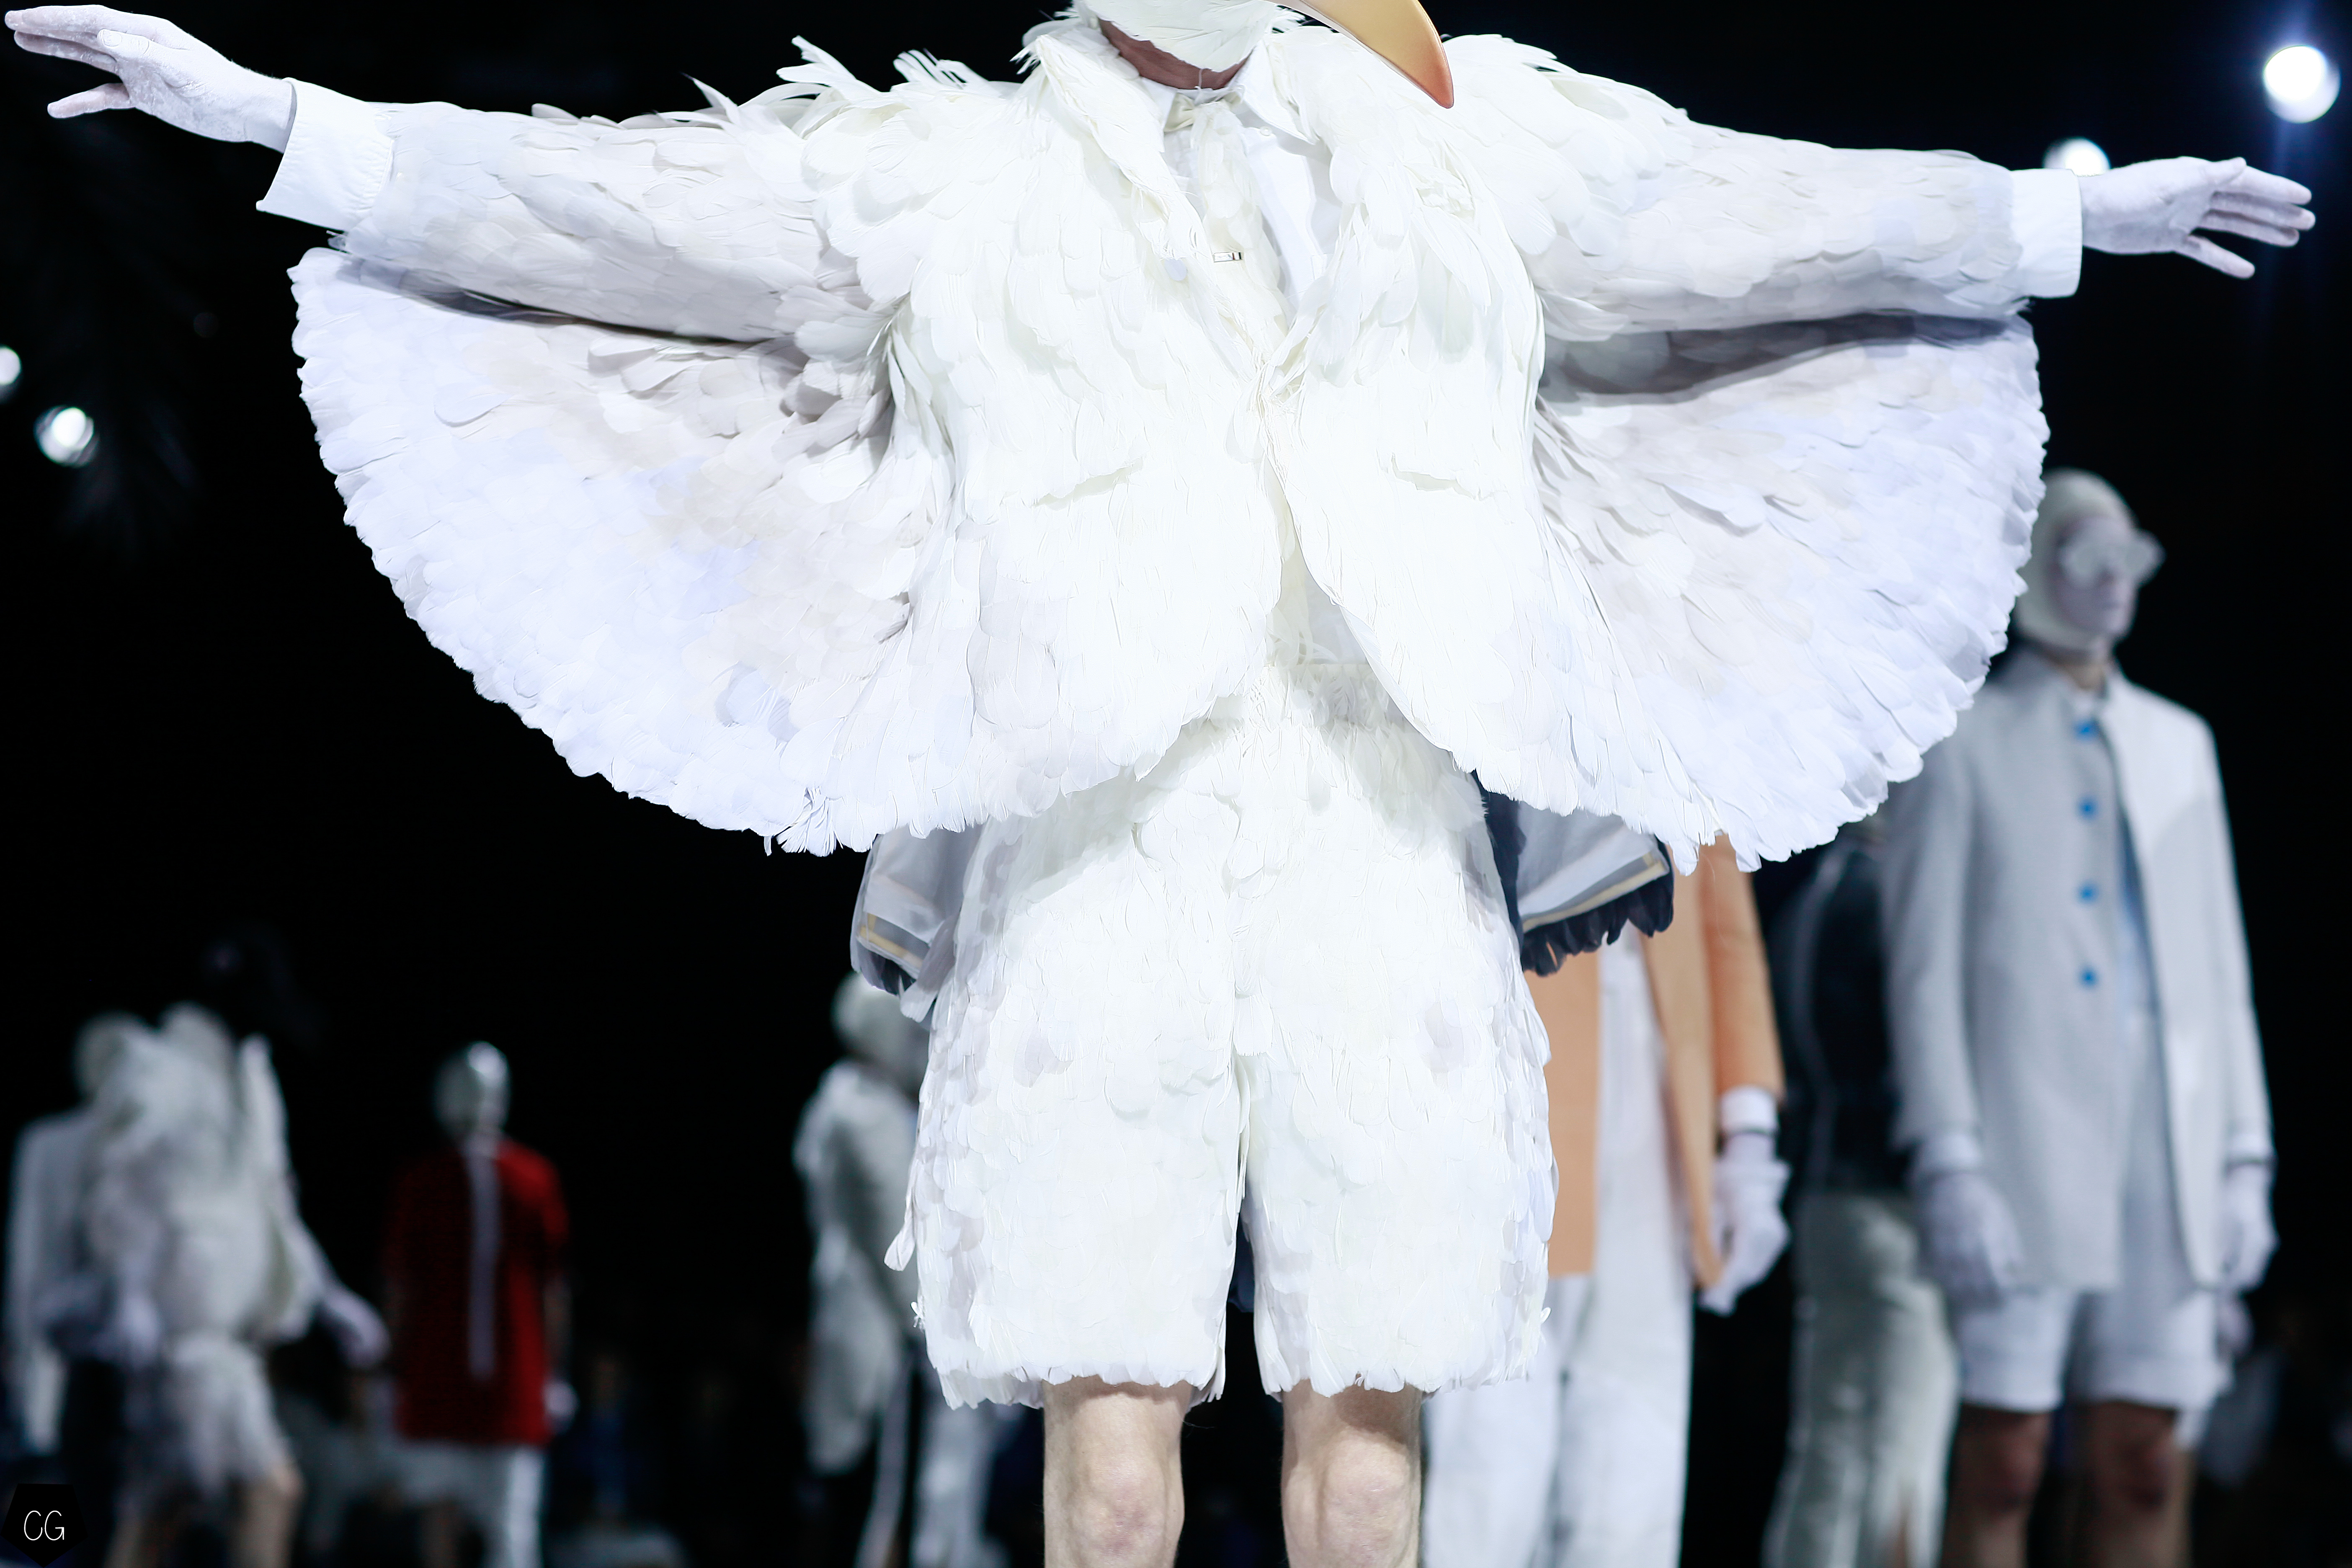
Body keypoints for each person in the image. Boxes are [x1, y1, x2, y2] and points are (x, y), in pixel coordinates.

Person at [7, 1, 2315, 1559]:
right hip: (1094, 853)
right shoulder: (961, 173)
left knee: (1369, 1442)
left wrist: (2044, 219)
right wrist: (297, 124)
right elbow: (626, 210)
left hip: (1375, 849)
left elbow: (1734, 213)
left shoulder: (1458, 147)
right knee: (1110, 1470)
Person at [1880, 469, 2277, 1568]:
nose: (2111, 586)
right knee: (2005, 1456)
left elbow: (2223, 969)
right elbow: (1922, 970)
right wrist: (1949, 1155)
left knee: (2145, 1457)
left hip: (2166, 1141)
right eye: (2085, 561)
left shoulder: (2181, 743)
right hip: (2023, 1138)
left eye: (2126, 563)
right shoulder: (1963, 743)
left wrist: (2246, 1154)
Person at [1421, 835, 1788, 1568]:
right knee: (1491, 1460)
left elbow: (1723, 892)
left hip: (1659, 1078)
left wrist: (1747, 1124)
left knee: (1636, 1454)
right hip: (1504, 1062)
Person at [79, 1003, 383, 1568]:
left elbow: (273, 1206)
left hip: (228, 1344)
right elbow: (127, 1188)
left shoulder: (253, 1082)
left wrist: (328, 1295)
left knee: (180, 1502)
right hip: (182, 1344)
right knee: (236, 1493)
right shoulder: (163, 1070)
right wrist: (130, 1292)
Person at [1760, 815, 1958, 1568]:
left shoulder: (1810, 896)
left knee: (1828, 1443)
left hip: (1821, 1196)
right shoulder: (1891, 896)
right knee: (1902, 1449)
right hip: (1892, 1198)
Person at [798, 975, 1013, 1568]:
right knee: (875, 1515)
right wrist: (942, 1332)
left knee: (876, 1508)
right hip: (881, 1346)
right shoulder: (865, 1117)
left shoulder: (845, 1099)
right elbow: (898, 1251)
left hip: (869, 1331)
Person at [383, 1044, 570, 1568]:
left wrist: (394, 1366)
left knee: (466, 1521)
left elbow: (400, 1291)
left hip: (461, 1379)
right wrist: (554, 1372)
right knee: (501, 1526)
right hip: (491, 1380)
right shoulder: (524, 1176)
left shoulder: (438, 1178)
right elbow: (553, 1293)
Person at [5, 1013, 140, 1461]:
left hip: (115, 1347)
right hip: (74, 1336)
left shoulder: (141, 1146)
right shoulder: (50, 1143)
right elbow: (30, 1257)